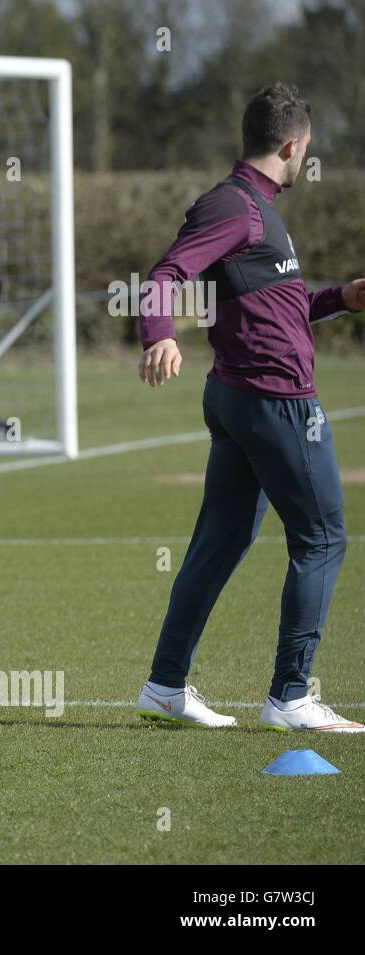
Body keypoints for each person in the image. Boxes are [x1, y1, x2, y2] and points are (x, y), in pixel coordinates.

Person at [134, 82, 364, 732]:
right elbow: (163, 278)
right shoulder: (236, 209)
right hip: (274, 401)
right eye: (307, 150)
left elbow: (278, 304)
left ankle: (165, 685)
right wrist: (159, 336)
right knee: (322, 537)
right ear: (293, 145)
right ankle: (291, 697)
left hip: (239, 398)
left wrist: (340, 298)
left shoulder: (255, 207)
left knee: (221, 540)